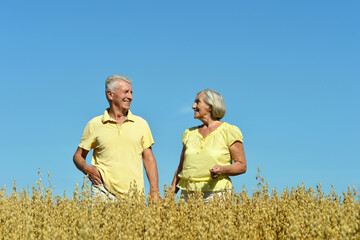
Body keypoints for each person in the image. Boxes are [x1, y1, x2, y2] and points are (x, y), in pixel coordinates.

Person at [73, 75, 159, 200]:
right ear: (110, 95)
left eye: (131, 93)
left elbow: (149, 159)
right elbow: (78, 156)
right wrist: (87, 169)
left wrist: (154, 191)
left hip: (134, 194)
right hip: (102, 191)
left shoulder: (141, 124)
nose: (130, 97)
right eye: (126, 92)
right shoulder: (95, 124)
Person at [170, 89, 246, 202]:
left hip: (216, 194)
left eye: (197, 102)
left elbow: (241, 165)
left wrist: (223, 169)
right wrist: (169, 196)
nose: (193, 106)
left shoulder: (229, 131)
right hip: (186, 196)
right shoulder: (189, 133)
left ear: (210, 106)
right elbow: (181, 168)